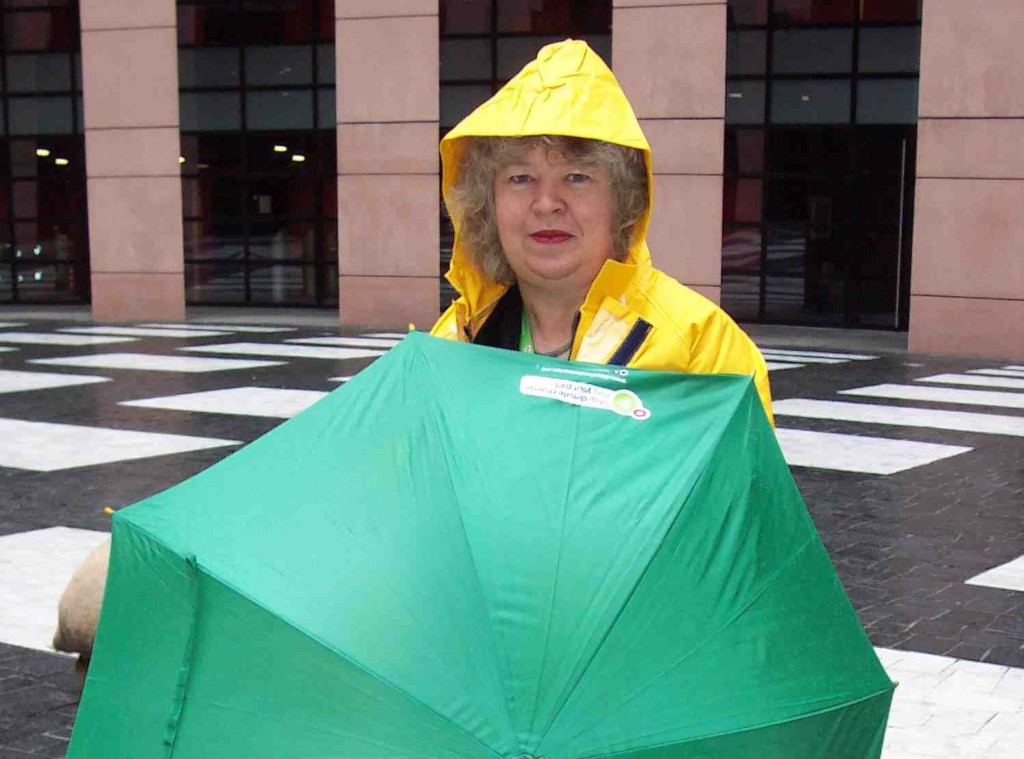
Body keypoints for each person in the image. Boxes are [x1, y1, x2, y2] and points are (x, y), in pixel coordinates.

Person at [430, 39, 773, 423]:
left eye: (577, 177)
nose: (546, 203)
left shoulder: (701, 347)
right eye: (520, 178)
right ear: (487, 204)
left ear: (623, 202)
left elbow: (741, 478)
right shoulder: (457, 339)